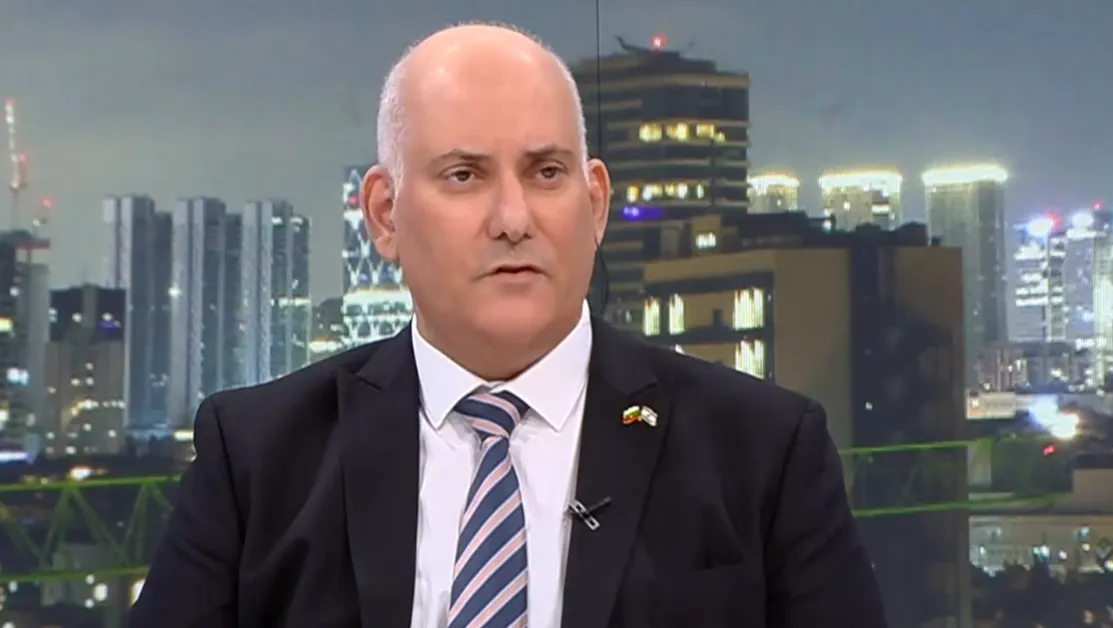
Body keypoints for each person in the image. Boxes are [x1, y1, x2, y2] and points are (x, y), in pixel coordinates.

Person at [130, 22, 887, 628]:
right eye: (464, 175)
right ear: (385, 215)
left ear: (595, 204)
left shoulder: (762, 451)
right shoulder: (258, 455)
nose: (513, 219)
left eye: (546, 173)